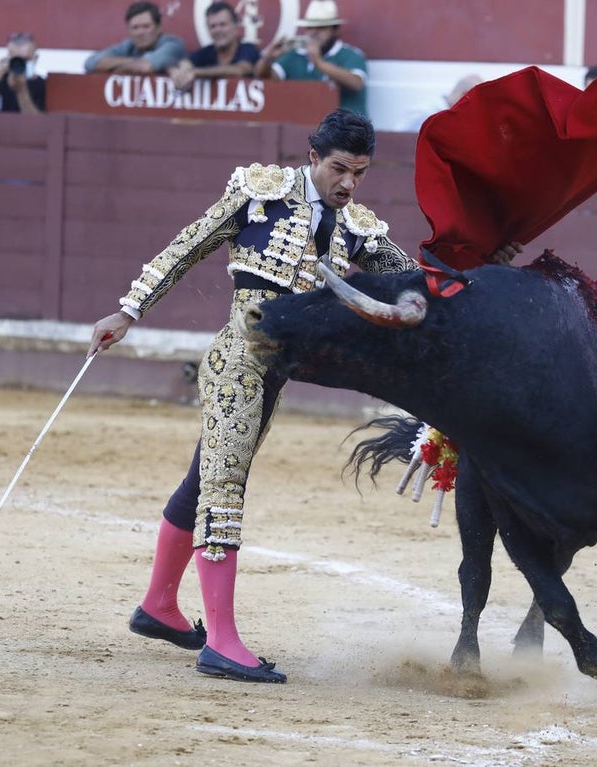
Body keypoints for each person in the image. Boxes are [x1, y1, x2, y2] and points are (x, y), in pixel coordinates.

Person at [88, 109, 416, 684]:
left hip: (275, 374)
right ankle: (221, 641)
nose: (348, 183)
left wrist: (469, 279)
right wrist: (129, 309)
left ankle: (158, 607)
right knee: (223, 487)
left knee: (205, 478)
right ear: (312, 157)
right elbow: (188, 246)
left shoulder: (358, 226)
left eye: (359, 173)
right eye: (339, 168)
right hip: (237, 362)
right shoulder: (258, 194)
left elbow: (411, 279)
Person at [254, 0, 368, 115]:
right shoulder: (295, 54)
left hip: (346, 128)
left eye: (321, 28)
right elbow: (265, 77)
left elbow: (356, 83)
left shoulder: (351, 55)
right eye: (310, 27)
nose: (314, 32)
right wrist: (268, 58)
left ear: (335, 30)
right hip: (304, 125)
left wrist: (318, 62)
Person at [169, 2, 260, 92]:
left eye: (223, 25)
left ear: (236, 26)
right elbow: (184, 63)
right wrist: (177, 71)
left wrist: (195, 72)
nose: (217, 30)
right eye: (213, 26)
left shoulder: (248, 49)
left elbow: (240, 70)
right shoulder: (207, 52)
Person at [83, 1, 186, 75]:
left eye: (146, 26)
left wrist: (111, 66)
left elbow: (145, 67)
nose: (140, 33)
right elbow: (90, 63)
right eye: (135, 28)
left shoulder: (173, 44)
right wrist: (132, 62)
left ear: (158, 28)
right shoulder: (129, 45)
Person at [401, 73, 482, 132]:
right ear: (465, 95)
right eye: (475, 103)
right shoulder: (424, 113)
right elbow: (396, 141)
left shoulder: (452, 117)